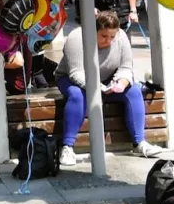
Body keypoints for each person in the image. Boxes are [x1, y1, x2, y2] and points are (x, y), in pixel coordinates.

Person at [56, 11, 156, 165]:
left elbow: (126, 67)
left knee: (134, 90)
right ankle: (67, 146)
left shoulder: (121, 37)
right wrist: (99, 88)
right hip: (71, 79)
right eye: (104, 36)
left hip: (107, 78)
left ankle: (139, 143)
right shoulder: (76, 38)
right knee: (77, 95)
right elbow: (76, 73)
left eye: (112, 37)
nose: (108, 41)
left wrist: (121, 83)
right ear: (93, 30)